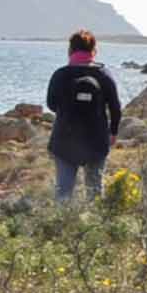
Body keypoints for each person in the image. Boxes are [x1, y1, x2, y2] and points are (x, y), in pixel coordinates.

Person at [45, 28, 123, 203]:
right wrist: (113, 132)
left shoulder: (61, 74)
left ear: (70, 50)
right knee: (94, 191)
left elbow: (51, 104)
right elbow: (116, 108)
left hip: (64, 139)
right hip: (96, 140)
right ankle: (95, 226)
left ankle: (60, 228)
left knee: (63, 192)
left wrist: (69, 111)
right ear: (94, 50)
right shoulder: (104, 75)